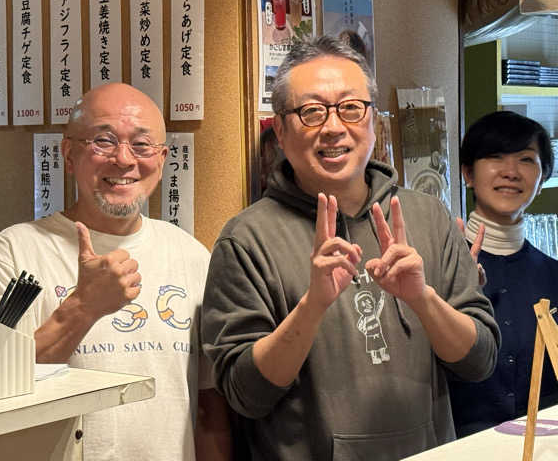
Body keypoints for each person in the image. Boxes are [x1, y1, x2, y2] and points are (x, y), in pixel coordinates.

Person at [201, 35, 499, 460]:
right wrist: (312, 306)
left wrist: (423, 299)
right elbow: (245, 394)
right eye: (311, 112)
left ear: (373, 121)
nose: (334, 127)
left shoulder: (428, 216)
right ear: (280, 131)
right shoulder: (246, 240)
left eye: (351, 108)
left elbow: (479, 361)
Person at [0, 82, 231, 461]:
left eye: (142, 145)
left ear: (161, 159)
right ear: (68, 154)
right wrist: (83, 308)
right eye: (103, 141)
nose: (123, 159)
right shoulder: (15, 251)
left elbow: (209, 401)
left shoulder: (189, 254)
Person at [449, 111, 558, 437]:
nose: (511, 172)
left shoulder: (553, 274)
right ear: (468, 173)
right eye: (495, 156)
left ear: (543, 178)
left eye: (526, 159)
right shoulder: (437, 269)